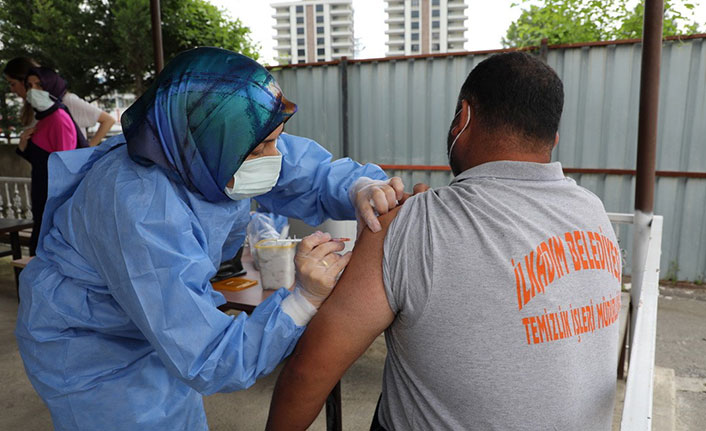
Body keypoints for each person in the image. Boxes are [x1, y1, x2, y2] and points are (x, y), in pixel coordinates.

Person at [15, 47, 404, 431]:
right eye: (263, 147)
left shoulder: (195, 146)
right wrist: (303, 301)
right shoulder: (141, 209)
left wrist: (360, 185)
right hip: (94, 351)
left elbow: (302, 170)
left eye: (275, 140)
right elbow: (207, 356)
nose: (275, 156)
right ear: (211, 144)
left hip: (149, 322)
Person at [267, 52, 623, 430]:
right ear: (553, 137)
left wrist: (411, 226)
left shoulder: (410, 224)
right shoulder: (592, 210)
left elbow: (310, 372)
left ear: (463, 117)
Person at [15, 66, 83, 255]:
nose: (33, 90)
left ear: (51, 86)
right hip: (42, 197)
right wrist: (23, 146)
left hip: (53, 202)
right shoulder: (44, 119)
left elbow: (65, 166)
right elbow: (43, 160)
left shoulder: (58, 119)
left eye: (39, 84)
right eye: (29, 85)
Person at [4, 56, 116, 146]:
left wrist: (87, 153)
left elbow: (108, 120)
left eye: (12, 84)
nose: (12, 90)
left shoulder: (66, 101)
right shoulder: (34, 108)